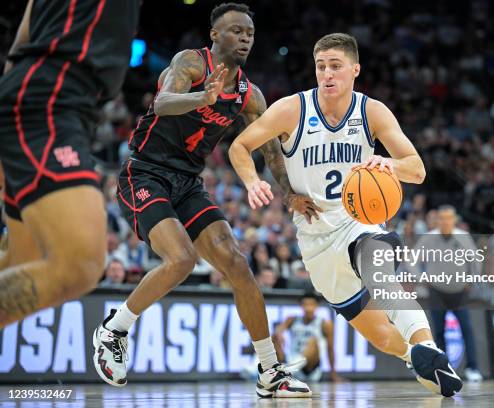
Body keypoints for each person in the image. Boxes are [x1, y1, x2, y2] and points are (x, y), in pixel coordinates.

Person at [92, 3, 311, 398]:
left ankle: (269, 369)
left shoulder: (250, 95)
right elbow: (162, 102)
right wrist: (201, 100)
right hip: (144, 172)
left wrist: (290, 192)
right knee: (181, 259)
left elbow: (272, 154)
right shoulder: (191, 64)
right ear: (215, 35)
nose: (244, 38)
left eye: (250, 33)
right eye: (236, 31)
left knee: (237, 264)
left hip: (188, 182)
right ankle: (114, 329)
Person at [229, 33, 463, 397]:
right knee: (380, 334)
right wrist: (252, 181)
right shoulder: (293, 108)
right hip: (315, 238)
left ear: (355, 69)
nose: (327, 74)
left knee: (382, 273)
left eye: (335, 66)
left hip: (360, 222)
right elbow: (240, 146)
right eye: (321, 67)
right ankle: (416, 357)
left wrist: (385, 162)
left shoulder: (372, 111)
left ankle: (429, 346)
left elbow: (416, 170)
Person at [0, 0, 140, 328]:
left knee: (24, 261)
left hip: (40, 96)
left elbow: (24, 36)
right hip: (50, 98)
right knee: (81, 265)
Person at [415, 205, 484, 383]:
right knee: (438, 332)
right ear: (437, 220)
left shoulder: (463, 237)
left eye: (448, 218)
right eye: (442, 218)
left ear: (454, 220)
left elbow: (476, 260)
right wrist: (421, 277)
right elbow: (412, 259)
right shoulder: (429, 238)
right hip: (437, 290)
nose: (445, 221)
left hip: (459, 291)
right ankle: (443, 370)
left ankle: (472, 368)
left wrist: (471, 280)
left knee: (466, 329)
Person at [273, 293, 342, 383]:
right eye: (305, 304)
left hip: (310, 367)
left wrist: (333, 374)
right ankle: (268, 371)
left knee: (313, 341)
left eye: (311, 304)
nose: (308, 308)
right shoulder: (292, 319)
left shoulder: (325, 324)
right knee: (274, 337)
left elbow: (330, 349)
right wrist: (279, 334)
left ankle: (288, 370)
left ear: (316, 306)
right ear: (301, 306)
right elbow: (278, 330)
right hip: (291, 359)